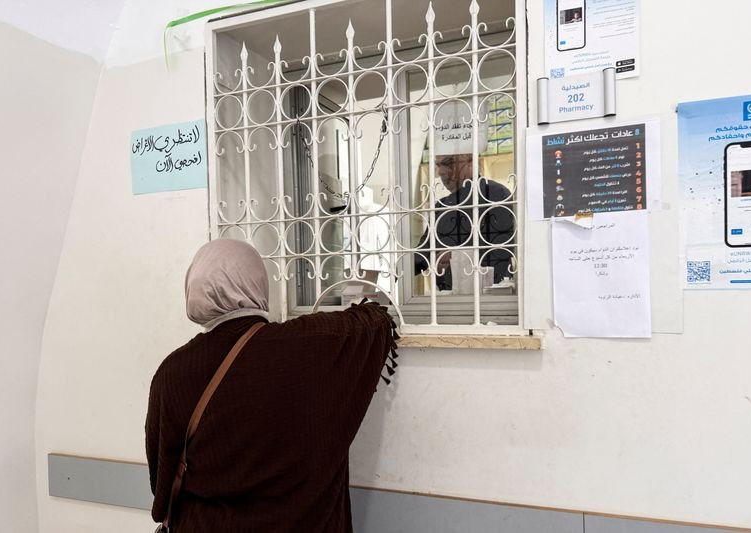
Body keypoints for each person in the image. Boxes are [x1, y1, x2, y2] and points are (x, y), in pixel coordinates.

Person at [146, 239, 398, 532]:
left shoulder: (171, 373)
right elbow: (375, 321)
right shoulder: (311, 347)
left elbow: (161, 480)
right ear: (258, 282)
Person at [413, 153, 514, 290]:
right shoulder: (442, 207)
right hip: (450, 299)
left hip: (492, 296)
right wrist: (393, 273)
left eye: (448, 163)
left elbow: (503, 250)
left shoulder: (496, 195)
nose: (441, 172)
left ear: (470, 161)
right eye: (438, 166)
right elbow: (422, 255)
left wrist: (455, 257)